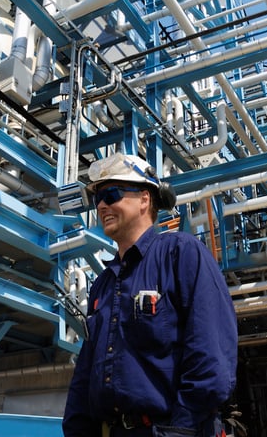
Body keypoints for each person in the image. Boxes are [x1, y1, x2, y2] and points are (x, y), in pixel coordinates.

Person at [63, 152, 238, 437]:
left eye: (111, 194)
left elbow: (211, 357)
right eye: (98, 199)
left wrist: (180, 429)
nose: (102, 206)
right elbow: (85, 374)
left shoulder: (180, 254)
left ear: (145, 199)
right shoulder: (103, 285)